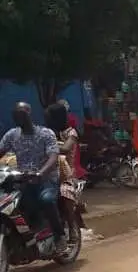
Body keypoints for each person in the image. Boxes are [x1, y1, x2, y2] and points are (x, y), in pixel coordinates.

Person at [0, 102, 67, 253]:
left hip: (46, 180)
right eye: (16, 116)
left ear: (29, 114)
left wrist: (40, 173)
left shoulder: (46, 133)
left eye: (22, 114)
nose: (19, 118)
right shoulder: (12, 135)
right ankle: (27, 236)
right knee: (10, 204)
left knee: (46, 200)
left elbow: (53, 157)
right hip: (23, 181)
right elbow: (1, 151)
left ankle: (59, 236)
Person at [44, 103, 80, 239]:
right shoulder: (50, 133)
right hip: (49, 173)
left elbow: (65, 148)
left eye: (49, 118)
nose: (46, 121)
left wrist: (47, 148)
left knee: (65, 193)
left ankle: (72, 228)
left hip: (66, 174)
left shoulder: (71, 133)